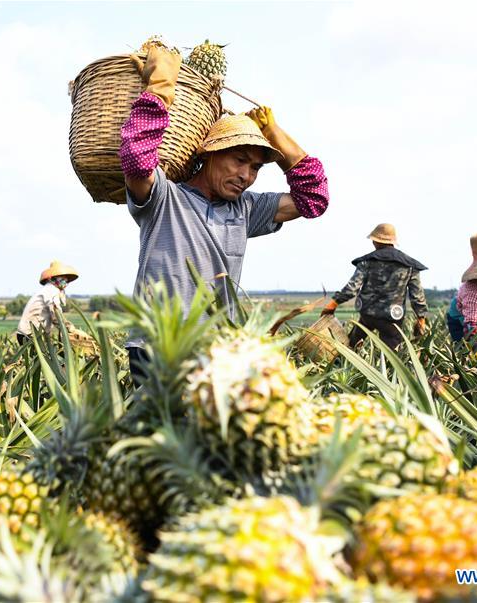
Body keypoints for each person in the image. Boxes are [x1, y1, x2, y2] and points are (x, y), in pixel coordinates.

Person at [119, 46, 330, 379]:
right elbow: (136, 157)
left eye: (257, 167)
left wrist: (276, 134)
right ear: (212, 154)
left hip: (216, 353)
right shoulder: (164, 199)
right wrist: (159, 89)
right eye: (240, 161)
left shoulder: (246, 210)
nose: (247, 176)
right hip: (158, 348)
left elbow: (313, 197)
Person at [321, 223, 428, 349]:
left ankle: (345, 361)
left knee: (352, 346)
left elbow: (352, 287)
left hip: (367, 314)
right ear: (393, 242)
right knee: (392, 354)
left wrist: (334, 303)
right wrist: (421, 318)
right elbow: (417, 295)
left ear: (375, 241)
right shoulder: (409, 265)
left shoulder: (366, 262)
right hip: (392, 318)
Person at [16, 261, 79, 345]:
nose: (65, 281)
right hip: (29, 334)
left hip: (32, 333)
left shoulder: (51, 290)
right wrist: (68, 327)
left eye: (65, 279)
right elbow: (55, 313)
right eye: (62, 278)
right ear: (51, 278)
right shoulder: (51, 291)